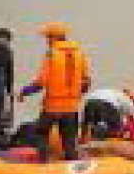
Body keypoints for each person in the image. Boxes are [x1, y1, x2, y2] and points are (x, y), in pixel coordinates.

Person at [19, 24, 90, 161]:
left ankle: (43, 163)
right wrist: (75, 95)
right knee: (69, 141)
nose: (47, 41)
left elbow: (41, 82)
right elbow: (86, 82)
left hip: (52, 106)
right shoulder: (80, 54)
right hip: (72, 107)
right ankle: (72, 168)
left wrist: (24, 92)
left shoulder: (51, 54)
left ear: (54, 38)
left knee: (41, 134)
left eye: (48, 37)